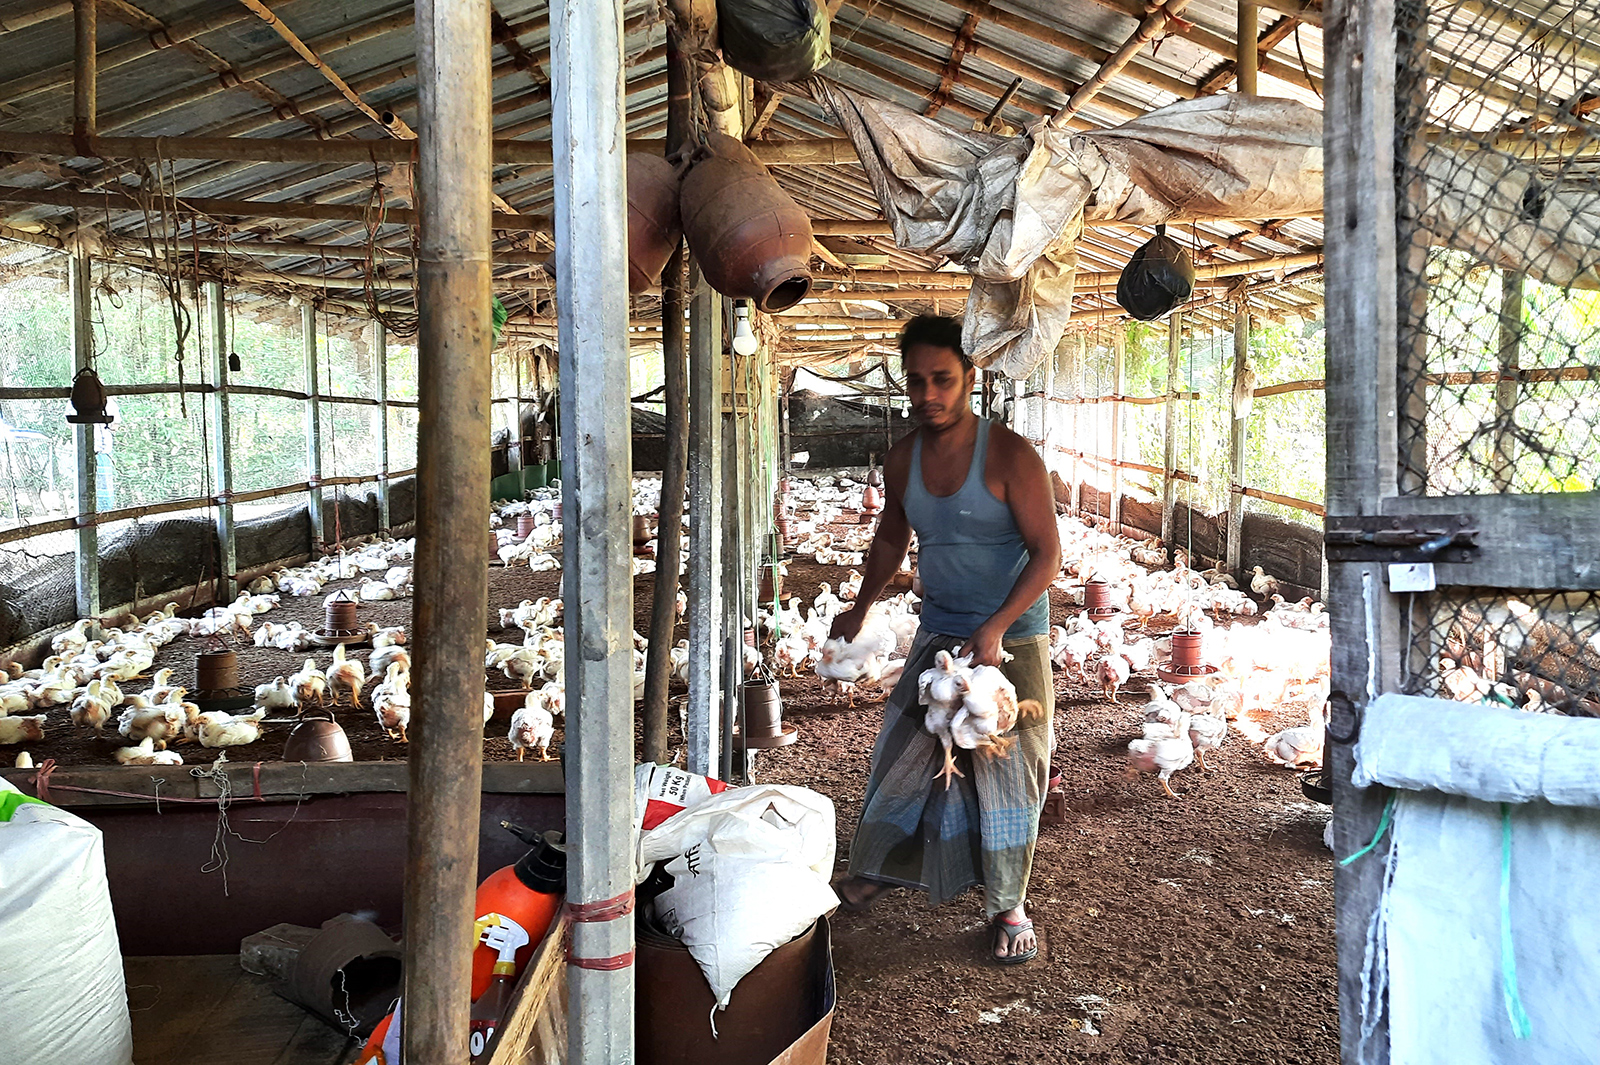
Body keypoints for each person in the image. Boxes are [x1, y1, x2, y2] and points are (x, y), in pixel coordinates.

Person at [830, 315, 1061, 965]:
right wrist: (859, 605)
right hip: (941, 628)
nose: (929, 393)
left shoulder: (1012, 456)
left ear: (971, 378)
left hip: (1013, 634)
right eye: (918, 381)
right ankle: (883, 865)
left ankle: (1010, 902)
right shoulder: (904, 457)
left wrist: (996, 625)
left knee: (1010, 766)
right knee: (905, 747)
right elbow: (889, 538)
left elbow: (1048, 555)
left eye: (943, 379)